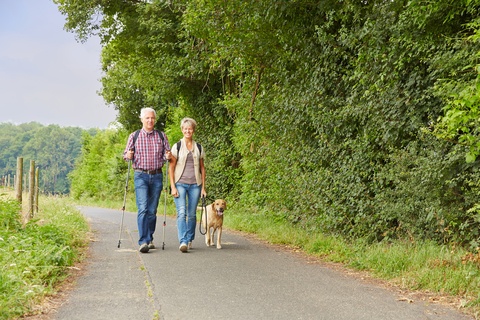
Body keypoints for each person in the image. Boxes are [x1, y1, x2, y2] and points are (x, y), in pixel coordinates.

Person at [123, 107, 171, 253]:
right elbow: (126, 155)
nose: (150, 120)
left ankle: (149, 238)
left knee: (152, 210)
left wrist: (168, 156)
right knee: (143, 208)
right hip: (140, 175)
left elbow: (166, 154)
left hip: (157, 175)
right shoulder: (134, 136)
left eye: (152, 118)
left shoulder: (161, 136)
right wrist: (128, 155)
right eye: (147, 118)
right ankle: (143, 241)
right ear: (142, 119)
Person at [169, 117, 206, 252]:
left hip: (195, 184)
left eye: (190, 129)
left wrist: (203, 187)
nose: (187, 131)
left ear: (193, 130)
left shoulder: (199, 147)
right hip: (180, 183)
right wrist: (172, 186)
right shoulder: (177, 146)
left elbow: (202, 168)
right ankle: (183, 241)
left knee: (191, 214)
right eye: (185, 129)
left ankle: (189, 239)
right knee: (181, 212)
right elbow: (171, 168)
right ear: (182, 130)